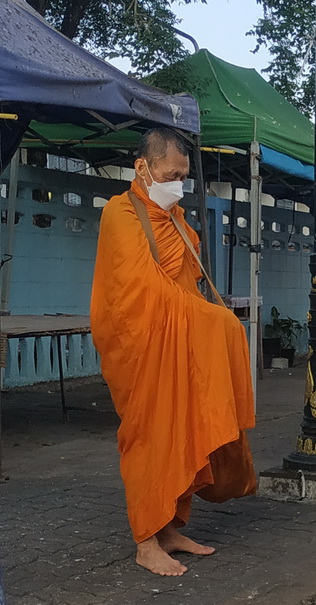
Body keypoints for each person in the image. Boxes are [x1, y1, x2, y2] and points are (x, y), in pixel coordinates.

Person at [91, 128, 255, 577]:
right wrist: (212, 322)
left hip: (179, 345)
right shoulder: (120, 214)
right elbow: (139, 292)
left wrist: (207, 324)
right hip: (141, 347)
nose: (177, 185)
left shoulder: (177, 221)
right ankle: (146, 542)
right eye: (170, 175)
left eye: (183, 177)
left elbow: (187, 288)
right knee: (150, 437)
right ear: (142, 168)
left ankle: (168, 530)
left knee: (181, 432)